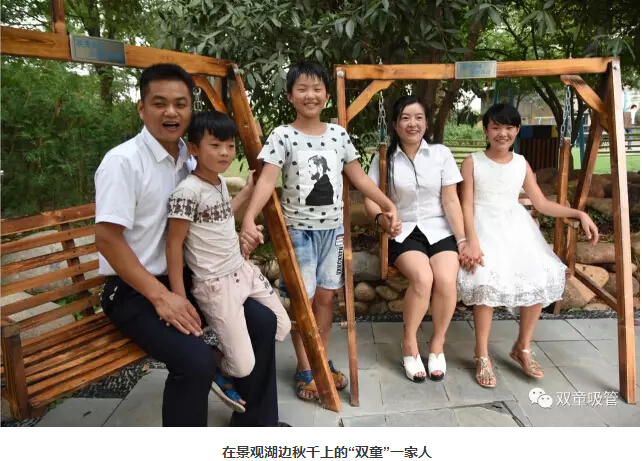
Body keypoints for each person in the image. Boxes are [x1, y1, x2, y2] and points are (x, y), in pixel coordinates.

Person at [95, 63, 289, 427]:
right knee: (195, 361)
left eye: (180, 104)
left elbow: (210, 218)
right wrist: (162, 297)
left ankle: (257, 427)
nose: (171, 112)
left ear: (190, 108)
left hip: (190, 277)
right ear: (141, 108)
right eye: (159, 103)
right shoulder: (123, 163)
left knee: (263, 322)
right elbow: (106, 239)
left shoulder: (192, 157)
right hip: (134, 291)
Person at [239, 62, 400, 402]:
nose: (310, 95)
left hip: (333, 233)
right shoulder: (282, 135)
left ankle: (320, 359)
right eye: (302, 89)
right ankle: (305, 367)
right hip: (299, 234)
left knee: (327, 299)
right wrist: (249, 218)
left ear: (326, 94)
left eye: (316, 89)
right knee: (304, 301)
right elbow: (267, 181)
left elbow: (357, 176)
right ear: (290, 96)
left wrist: (387, 204)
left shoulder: (338, 135)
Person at [457, 103, 599, 388]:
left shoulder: (521, 163)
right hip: (483, 228)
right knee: (485, 278)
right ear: (486, 130)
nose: (502, 133)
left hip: (516, 229)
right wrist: (471, 240)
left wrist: (578, 213)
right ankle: (481, 354)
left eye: (509, 127)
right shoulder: (473, 162)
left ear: (517, 130)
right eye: (496, 127)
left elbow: (541, 203)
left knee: (541, 272)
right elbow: (466, 204)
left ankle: (522, 346)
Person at [166, 110, 291, 413]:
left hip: (242, 271)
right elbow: (173, 244)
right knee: (243, 366)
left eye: (230, 145)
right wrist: (179, 296)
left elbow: (221, 215)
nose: (224, 152)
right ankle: (215, 361)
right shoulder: (187, 192)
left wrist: (246, 192)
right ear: (194, 149)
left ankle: (232, 346)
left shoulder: (219, 183)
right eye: (215, 145)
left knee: (282, 326)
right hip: (215, 286)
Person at [365, 95, 466, 382]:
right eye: (406, 118)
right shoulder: (384, 159)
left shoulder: (441, 154)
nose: (413, 123)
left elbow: (451, 200)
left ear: (426, 123)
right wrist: (382, 219)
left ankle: (437, 343)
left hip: (439, 228)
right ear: (395, 124)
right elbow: (371, 199)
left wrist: (462, 240)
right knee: (423, 278)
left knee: (446, 279)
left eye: (419, 117)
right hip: (404, 230)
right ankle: (409, 343)